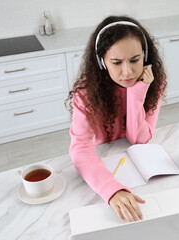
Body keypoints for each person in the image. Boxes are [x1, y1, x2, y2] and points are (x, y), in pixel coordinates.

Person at [67, 15, 166, 223]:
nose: (127, 72)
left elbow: (139, 139)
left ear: (145, 55)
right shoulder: (86, 92)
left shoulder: (152, 80)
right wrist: (111, 190)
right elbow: (80, 148)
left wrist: (137, 92)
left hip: (135, 166)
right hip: (102, 165)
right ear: (102, 62)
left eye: (135, 60)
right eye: (116, 62)